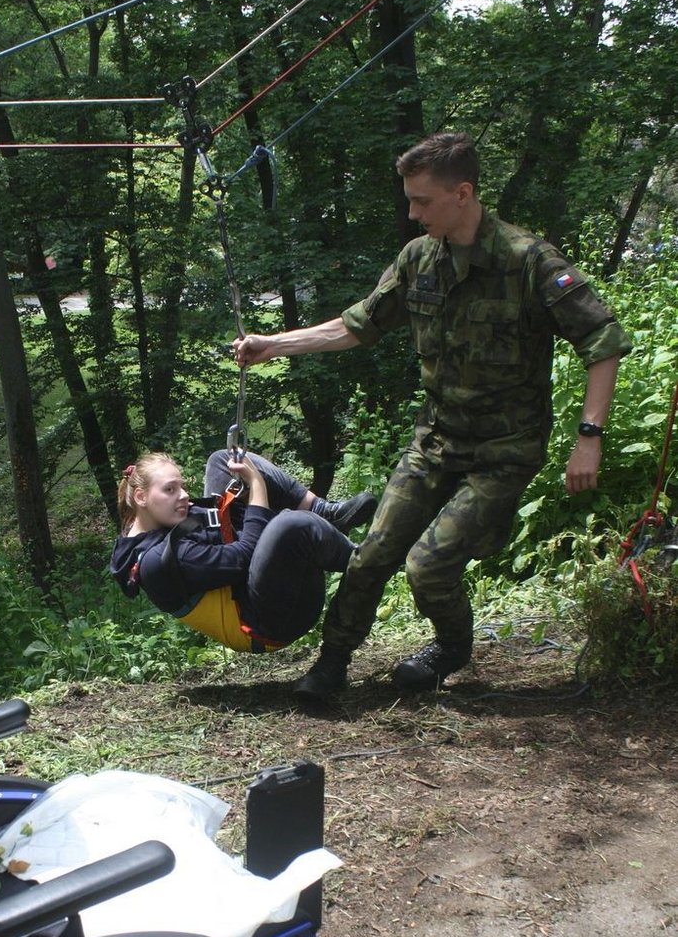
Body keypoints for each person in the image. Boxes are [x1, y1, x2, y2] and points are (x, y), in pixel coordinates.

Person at [233, 131, 632, 698]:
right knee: (371, 554)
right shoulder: (417, 259)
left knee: (429, 565)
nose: (412, 212)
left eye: (422, 201)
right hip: (436, 442)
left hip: (504, 451)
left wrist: (588, 436)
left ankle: (451, 648)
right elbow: (357, 326)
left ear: (463, 193)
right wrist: (274, 344)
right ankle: (330, 666)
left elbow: (603, 341)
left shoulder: (528, 261)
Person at [111, 449, 377, 652]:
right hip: (268, 620)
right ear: (141, 497)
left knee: (224, 459)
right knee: (291, 524)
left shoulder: (153, 523)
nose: (183, 496)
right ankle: (367, 561)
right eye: (170, 489)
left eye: (181, 486)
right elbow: (246, 554)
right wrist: (257, 485)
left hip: (245, 573)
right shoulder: (161, 560)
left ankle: (322, 510)